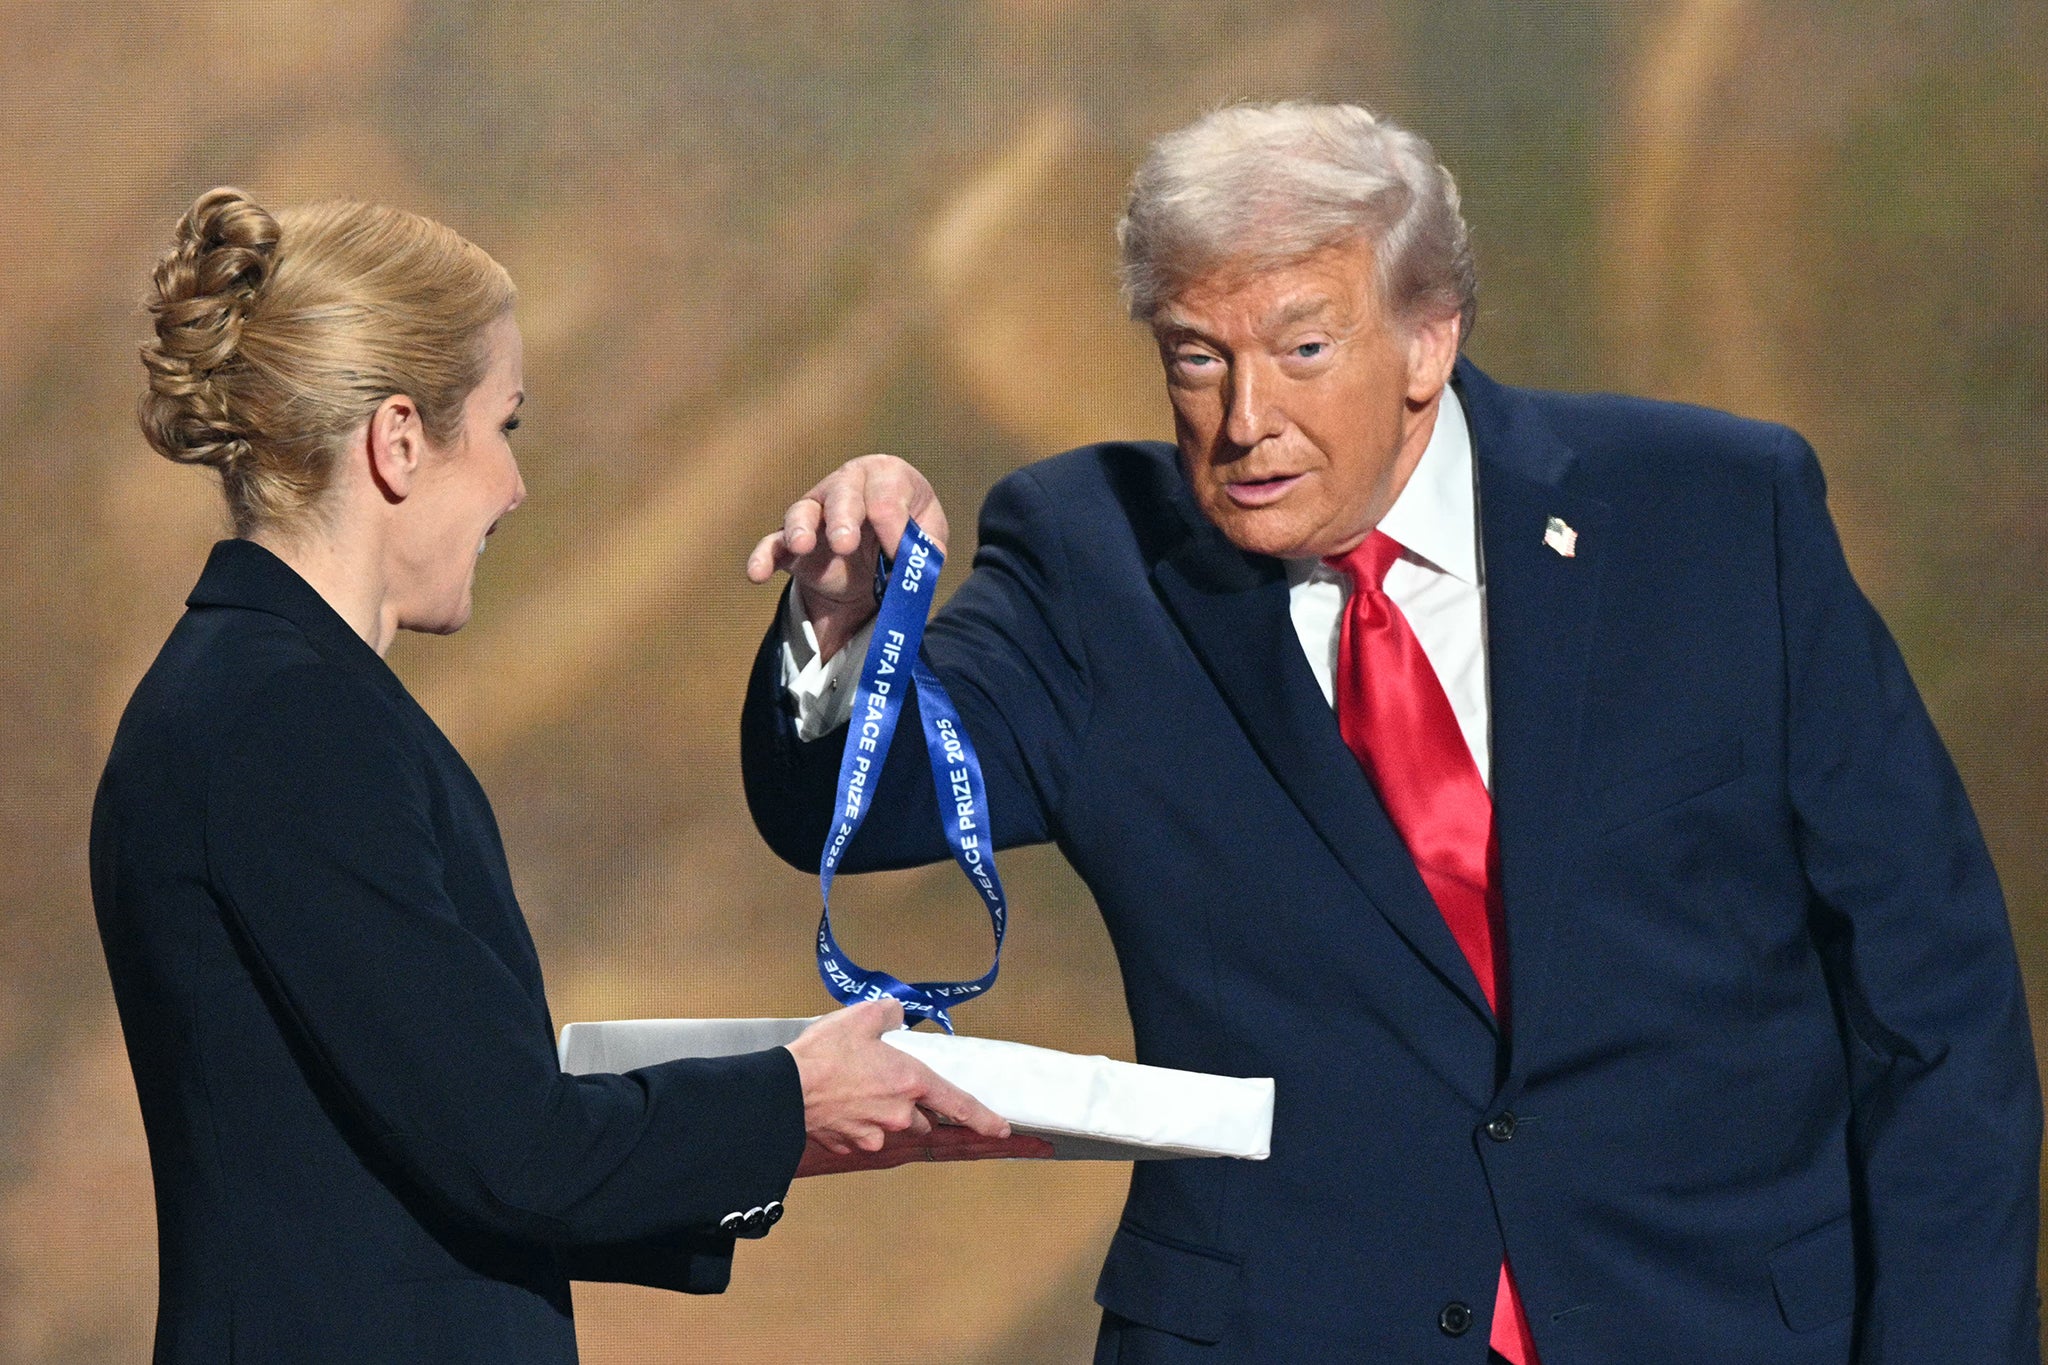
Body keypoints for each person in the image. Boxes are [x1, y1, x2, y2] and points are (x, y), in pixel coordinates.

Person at [739, 103, 2042, 1362]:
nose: (1244, 420)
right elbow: (855, 802)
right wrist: (844, 625)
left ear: (1429, 339)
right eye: (1196, 357)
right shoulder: (1094, 560)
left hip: (1715, 1321)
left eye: (1303, 349)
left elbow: (1935, 1005)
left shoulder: (1711, 514)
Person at [93, 187, 1040, 1365]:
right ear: (398, 441)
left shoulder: (266, 695)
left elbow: (431, 1139)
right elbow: (514, 1154)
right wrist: (788, 1099)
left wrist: (788, 1114)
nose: (515, 487)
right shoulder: (287, 721)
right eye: (504, 427)